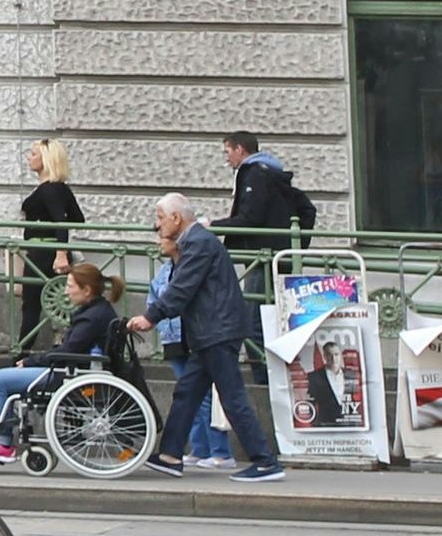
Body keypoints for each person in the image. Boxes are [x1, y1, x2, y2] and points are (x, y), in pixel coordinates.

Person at [129, 189, 283, 482]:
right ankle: (170, 455)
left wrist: (151, 316)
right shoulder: (196, 241)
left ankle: (265, 463)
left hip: (216, 331)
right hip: (209, 331)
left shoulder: (198, 243)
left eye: (160, 218)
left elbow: (182, 288)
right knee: (187, 392)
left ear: (176, 218)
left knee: (232, 396)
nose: (157, 225)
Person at [221, 133, 338, 427]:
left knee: (253, 319)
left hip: (262, 257)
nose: (226, 158)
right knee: (269, 316)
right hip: (275, 256)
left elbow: (249, 217)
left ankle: (262, 379)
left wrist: (214, 226)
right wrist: (295, 247)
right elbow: (306, 209)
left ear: (240, 149)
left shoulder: (254, 175)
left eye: (228, 151)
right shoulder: (274, 174)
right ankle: (271, 375)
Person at [0, 260, 120, 460]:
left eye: (70, 286)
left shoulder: (91, 317)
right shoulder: (99, 311)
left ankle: (3, 442)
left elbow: (69, 350)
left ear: (86, 290)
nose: (66, 292)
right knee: (7, 376)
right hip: (74, 370)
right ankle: (3, 439)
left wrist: (32, 361)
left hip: (69, 374)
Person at [17, 139, 85, 349]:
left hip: (43, 252)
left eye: (34, 153)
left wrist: (60, 252)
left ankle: (21, 354)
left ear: (46, 159)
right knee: (59, 305)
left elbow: (62, 220)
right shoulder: (60, 188)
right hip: (50, 250)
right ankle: (62, 348)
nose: (29, 157)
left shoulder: (49, 189)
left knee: (32, 305)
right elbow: (77, 218)